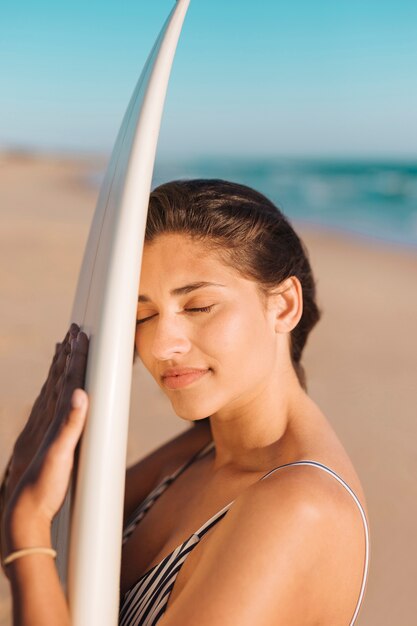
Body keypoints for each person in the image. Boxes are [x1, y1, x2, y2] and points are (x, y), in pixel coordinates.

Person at [0, 179, 370, 625]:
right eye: (144, 315)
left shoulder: (300, 508)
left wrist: (26, 536)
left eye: (198, 307)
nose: (160, 345)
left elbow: (35, 527)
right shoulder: (200, 451)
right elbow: (52, 516)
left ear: (284, 306)